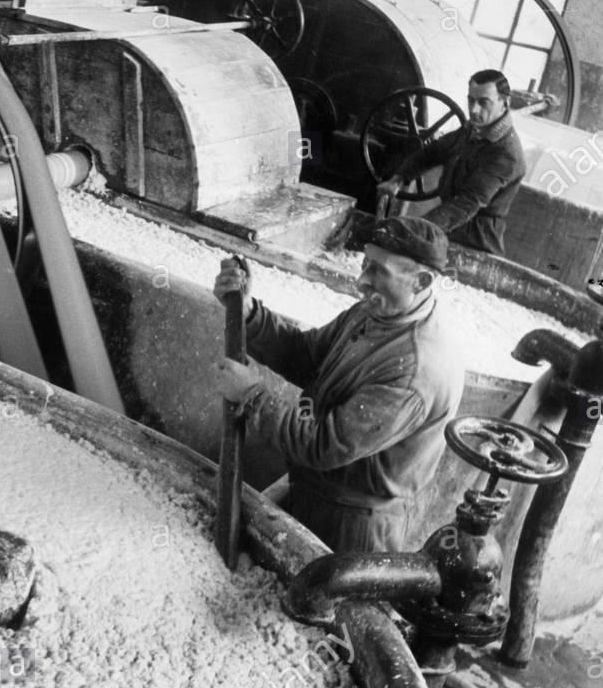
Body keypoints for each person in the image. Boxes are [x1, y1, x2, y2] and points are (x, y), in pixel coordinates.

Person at [213, 217, 465, 553]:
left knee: (320, 601)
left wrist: (252, 395)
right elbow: (306, 356)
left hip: (352, 529)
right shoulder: (375, 313)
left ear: (420, 281)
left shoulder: (415, 371)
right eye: (365, 264)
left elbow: (324, 446)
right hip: (316, 494)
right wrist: (249, 315)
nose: (362, 281)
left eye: (378, 270)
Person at [375, 69, 526, 257]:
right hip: (451, 227)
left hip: (476, 241)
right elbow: (432, 152)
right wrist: (397, 179)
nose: (473, 109)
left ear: (505, 103)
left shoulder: (505, 153)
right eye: (471, 100)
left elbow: (466, 203)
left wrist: (417, 230)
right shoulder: (472, 130)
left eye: (483, 102)